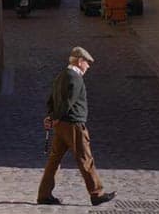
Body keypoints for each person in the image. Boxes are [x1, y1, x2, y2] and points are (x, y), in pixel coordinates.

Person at [37, 47, 116, 207]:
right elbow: (68, 102)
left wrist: (51, 116)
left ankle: (44, 195)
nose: (88, 66)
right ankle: (97, 193)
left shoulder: (61, 76)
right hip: (73, 125)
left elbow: (51, 99)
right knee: (85, 158)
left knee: (54, 160)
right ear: (80, 61)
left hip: (61, 126)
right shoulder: (75, 78)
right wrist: (54, 118)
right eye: (87, 63)